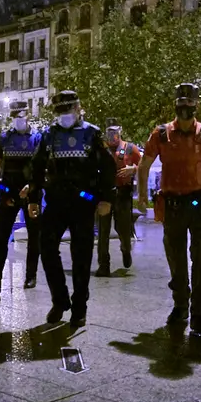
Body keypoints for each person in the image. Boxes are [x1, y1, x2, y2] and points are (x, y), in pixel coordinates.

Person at [136, 83, 201, 334]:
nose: (185, 108)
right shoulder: (160, 134)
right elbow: (144, 165)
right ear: (175, 105)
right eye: (182, 103)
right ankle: (180, 306)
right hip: (173, 207)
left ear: (196, 105)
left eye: (190, 103)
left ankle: (198, 314)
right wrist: (141, 196)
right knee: (177, 263)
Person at [27, 90, 116, 327]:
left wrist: (106, 198)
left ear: (78, 108)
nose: (65, 115)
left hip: (83, 202)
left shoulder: (92, 134)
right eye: (60, 111)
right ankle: (60, 299)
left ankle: (79, 307)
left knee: (82, 256)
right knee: (46, 248)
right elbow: (36, 169)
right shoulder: (49, 135)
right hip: (55, 201)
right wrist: (33, 199)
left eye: (69, 109)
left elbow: (108, 169)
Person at [0, 101, 42, 292]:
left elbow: (41, 168)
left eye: (21, 116)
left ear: (28, 116)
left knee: (34, 236)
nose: (18, 120)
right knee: (1, 235)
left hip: (31, 193)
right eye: (14, 117)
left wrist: (31, 186)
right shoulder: (5, 137)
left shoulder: (37, 138)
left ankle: (31, 277)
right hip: (8, 192)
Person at [95, 117, 141, 277]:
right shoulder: (100, 150)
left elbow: (144, 165)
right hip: (105, 195)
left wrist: (133, 169)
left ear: (120, 130)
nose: (112, 134)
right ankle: (103, 265)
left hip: (123, 194)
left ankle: (125, 249)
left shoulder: (130, 148)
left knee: (123, 229)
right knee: (103, 231)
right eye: (109, 131)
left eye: (115, 131)